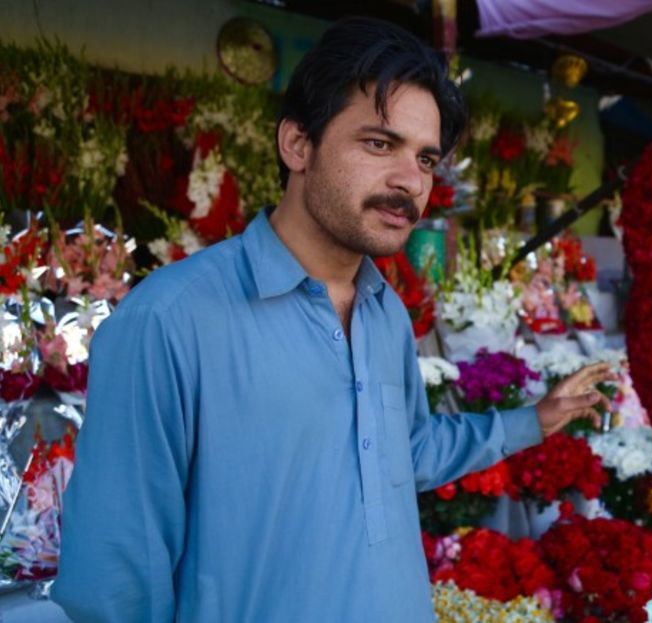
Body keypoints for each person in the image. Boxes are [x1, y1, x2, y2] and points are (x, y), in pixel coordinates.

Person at [52, 16, 614, 622]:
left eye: (426, 159)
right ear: (297, 144)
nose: (410, 181)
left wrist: (536, 420)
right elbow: (112, 581)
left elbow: (410, 452)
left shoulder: (384, 314)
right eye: (379, 144)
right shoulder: (170, 320)